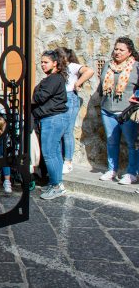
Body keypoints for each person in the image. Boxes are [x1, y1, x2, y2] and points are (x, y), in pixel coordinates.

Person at [98, 37, 139, 184]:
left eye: (121, 50)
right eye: (116, 49)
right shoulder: (108, 65)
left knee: (131, 142)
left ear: (129, 52)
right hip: (107, 110)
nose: (117, 52)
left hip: (127, 112)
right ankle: (112, 170)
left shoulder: (136, 66)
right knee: (111, 141)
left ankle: (132, 173)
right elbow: (101, 86)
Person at [32, 50, 69, 200]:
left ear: (55, 63)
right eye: (41, 62)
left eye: (46, 62)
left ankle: (57, 186)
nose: (42, 65)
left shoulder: (53, 79)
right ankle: (56, 182)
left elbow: (40, 97)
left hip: (52, 119)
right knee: (55, 153)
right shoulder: (53, 78)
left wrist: (33, 97)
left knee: (49, 153)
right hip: (53, 119)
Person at [56, 47, 94, 174]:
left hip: (70, 97)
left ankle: (68, 161)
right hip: (60, 98)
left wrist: (78, 83)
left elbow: (89, 71)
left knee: (67, 131)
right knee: (61, 131)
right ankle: (61, 159)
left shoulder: (71, 66)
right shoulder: (59, 69)